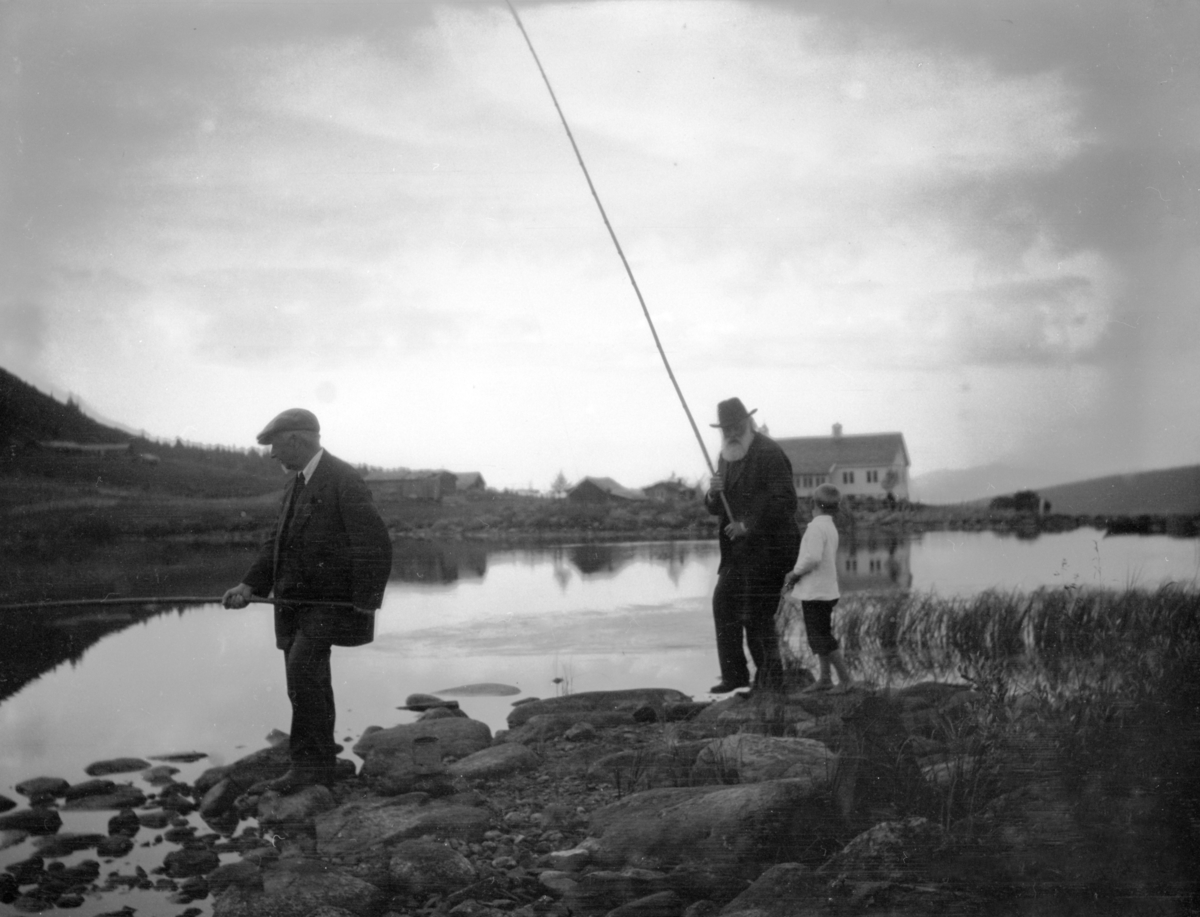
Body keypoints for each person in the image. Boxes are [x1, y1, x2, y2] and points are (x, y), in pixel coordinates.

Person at [223, 408, 392, 792]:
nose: (271, 455)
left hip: (331, 603)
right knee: (304, 679)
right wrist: (249, 585)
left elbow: (375, 543)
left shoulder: (344, 479)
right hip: (293, 605)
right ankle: (320, 761)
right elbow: (276, 544)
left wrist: (366, 600)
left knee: (303, 672)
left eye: (275, 445)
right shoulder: (294, 484)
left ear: (297, 440)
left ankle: (309, 766)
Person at [704, 397, 800, 694]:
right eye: (726, 428)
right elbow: (716, 508)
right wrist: (712, 493)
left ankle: (771, 682)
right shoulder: (725, 457)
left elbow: (785, 501)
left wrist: (747, 525)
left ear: (749, 423)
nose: (732, 432)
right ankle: (735, 676)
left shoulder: (769, 453)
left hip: (772, 549)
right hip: (737, 553)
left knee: (757, 614)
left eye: (737, 426)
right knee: (724, 604)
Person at [784, 483, 853, 692]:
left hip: (816, 592)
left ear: (813, 504)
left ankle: (846, 680)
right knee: (819, 635)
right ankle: (824, 679)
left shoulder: (815, 527)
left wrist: (794, 573)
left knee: (821, 637)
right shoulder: (829, 526)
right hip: (826, 590)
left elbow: (812, 558)